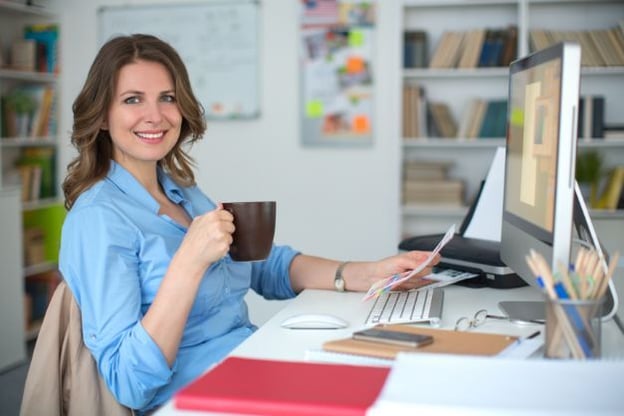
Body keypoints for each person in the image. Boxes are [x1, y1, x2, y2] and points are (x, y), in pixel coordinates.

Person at [59, 34, 439, 414]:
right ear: (103, 115)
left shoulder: (183, 193)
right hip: (197, 400)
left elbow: (264, 266)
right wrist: (188, 263)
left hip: (252, 363)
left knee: (398, 381)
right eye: (132, 99)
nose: (155, 115)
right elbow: (129, 382)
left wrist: (368, 273)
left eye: (168, 97)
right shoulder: (97, 220)